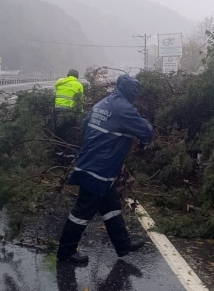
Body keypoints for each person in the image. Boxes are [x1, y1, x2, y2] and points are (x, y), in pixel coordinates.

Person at [57, 74, 154, 263]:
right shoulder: (124, 109)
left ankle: (123, 245)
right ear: (131, 92)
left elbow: (85, 127)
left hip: (91, 163)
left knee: (111, 207)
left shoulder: (102, 103)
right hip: (99, 170)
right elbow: (147, 132)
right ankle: (66, 252)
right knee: (82, 211)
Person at [54, 69, 84, 158]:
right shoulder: (79, 85)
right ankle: (69, 155)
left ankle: (57, 155)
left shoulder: (60, 82)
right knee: (70, 132)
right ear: (77, 77)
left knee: (59, 132)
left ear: (68, 75)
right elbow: (79, 101)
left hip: (57, 111)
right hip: (70, 112)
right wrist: (80, 114)